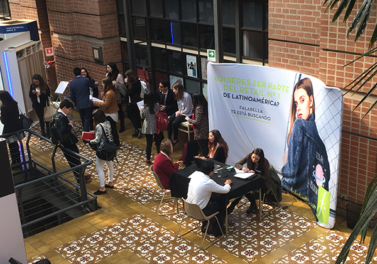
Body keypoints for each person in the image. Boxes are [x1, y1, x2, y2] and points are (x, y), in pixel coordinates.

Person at [282, 77, 330, 211]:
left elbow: (290, 173)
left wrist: (284, 166)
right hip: (314, 207)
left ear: (311, 101)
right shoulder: (318, 140)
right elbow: (326, 177)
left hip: (296, 202)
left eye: (302, 100)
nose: (298, 108)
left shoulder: (300, 125)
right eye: (296, 103)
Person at [186, 159, 232, 237]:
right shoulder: (208, 182)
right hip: (200, 212)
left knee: (213, 200)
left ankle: (211, 224)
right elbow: (225, 190)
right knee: (221, 204)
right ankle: (218, 230)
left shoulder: (195, 174)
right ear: (212, 171)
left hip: (188, 208)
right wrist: (227, 184)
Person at [50, 99, 91, 183]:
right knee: (75, 160)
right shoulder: (62, 117)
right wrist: (70, 125)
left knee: (73, 160)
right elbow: (64, 130)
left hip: (61, 143)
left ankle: (81, 176)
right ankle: (80, 179)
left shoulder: (54, 116)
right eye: (69, 109)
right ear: (64, 108)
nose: (70, 112)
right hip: (68, 142)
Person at [228, 148, 272, 214]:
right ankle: (252, 203)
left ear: (260, 158)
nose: (254, 160)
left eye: (256, 159)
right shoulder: (249, 156)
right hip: (251, 179)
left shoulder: (264, 162)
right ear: (251, 155)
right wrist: (243, 168)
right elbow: (237, 164)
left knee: (245, 188)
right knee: (243, 187)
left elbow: (266, 177)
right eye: (253, 157)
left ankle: (234, 205)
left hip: (261, 182)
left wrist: (256, 174)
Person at [90, 109, 115, 195]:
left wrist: (89, 140)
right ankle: (110, 182)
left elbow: (97, 140)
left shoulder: (98, 126)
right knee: (110, 165)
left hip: (102, 149)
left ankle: (102, 188)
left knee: (99, 168)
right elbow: (106, 133)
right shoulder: (108, 123)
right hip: (110, 148)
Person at [92, 78, 120, 146]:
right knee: (113, 129)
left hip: (111, 114)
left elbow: (106, 104)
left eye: (103, 83)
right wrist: (103, 96)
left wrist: (95, 102)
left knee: (113, 129)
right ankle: (116, 142)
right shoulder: (109, 92)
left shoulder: (109, 93)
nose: (102, 84)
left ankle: (116, 143)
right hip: (111, 113)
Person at [69, 67, 96, 133]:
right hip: (87, 103)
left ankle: (85, 131)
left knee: (83, 119)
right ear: (80, 73)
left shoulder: (72, 83)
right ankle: (85, 133)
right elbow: (94, 87)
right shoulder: (86, 80)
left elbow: (72, 96)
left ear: (74, 74)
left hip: (79, 104)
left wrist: (76, 102)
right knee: (87, 119)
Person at [140, 91, 164, 165]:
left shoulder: (143, 108)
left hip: (147, 126)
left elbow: (142, 117)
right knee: (158, 142)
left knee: (148, 143)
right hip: (156, 126)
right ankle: (159, 157)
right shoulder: (157, 105)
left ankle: (148, 159)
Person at [0, 91, 23, 167]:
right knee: (15, 145)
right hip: (17, 127)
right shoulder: (14, 104)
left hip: (9, 129)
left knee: (11, 146)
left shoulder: (3, 107)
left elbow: (4, 121)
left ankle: (14, 162)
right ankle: (19, 161)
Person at [167, 80, 193, 145]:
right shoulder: (177, 95)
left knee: (174, 123)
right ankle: (169, 138)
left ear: (177, 89)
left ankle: (175, 139)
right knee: (169, 121)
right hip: (180, 112)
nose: (173, 91)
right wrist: (178, 112)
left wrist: (180, 113)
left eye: (174, 89)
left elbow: (187, 109)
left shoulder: (187, 96)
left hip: (186, 114)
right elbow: (179, 106)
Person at [106, 62, 125, 133]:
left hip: (117, 95)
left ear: (112, 68)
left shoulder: (118, 76)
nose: (107, 69)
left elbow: (122, 86)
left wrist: (115, 84)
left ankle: (122, 125)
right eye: (107, 67)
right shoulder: (107, 75)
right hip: (110, 95)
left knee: (119, 110)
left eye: (108, 67)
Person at [125, 69, 142, 138]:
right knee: (136, 116)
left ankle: (137, 129)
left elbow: (130, 92)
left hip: (134, 102)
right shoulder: (136, 82)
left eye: (127, 76)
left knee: (131, 115)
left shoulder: (135, 83)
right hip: (135, 101)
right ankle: (138, 129)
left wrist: (126, 85)